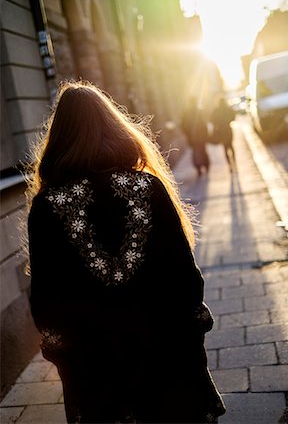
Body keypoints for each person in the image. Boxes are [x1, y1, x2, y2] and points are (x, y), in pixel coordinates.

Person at [25, 80, 226, 423]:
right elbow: (183, 274)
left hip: (96, 371)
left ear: (60, 139)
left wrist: (65, 353)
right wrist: (191, 327)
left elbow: (45, 298)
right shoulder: (148, 187)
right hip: (165, 358)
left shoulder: (46, 205)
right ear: (113, 127)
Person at [181, 97, 210, 176]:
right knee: (203, 151)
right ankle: (205, 166)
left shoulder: (187, 113)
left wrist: (188, 134)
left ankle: (199, 168)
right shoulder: (199, 111)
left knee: (196, 152)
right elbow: (204, 124)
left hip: (193, 137)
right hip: (200, 136)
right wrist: (206, 134)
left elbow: (183, 126)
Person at [211, 97, 236, 172]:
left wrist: (217, 124)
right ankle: (234, 162)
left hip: (221, 131)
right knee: (231, 146)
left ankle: (229, 164)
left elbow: (212, 120)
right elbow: (233, 116)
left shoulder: (216, 110)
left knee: (225, 148)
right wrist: (228, 121)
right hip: (228, 129)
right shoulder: (227, 109)